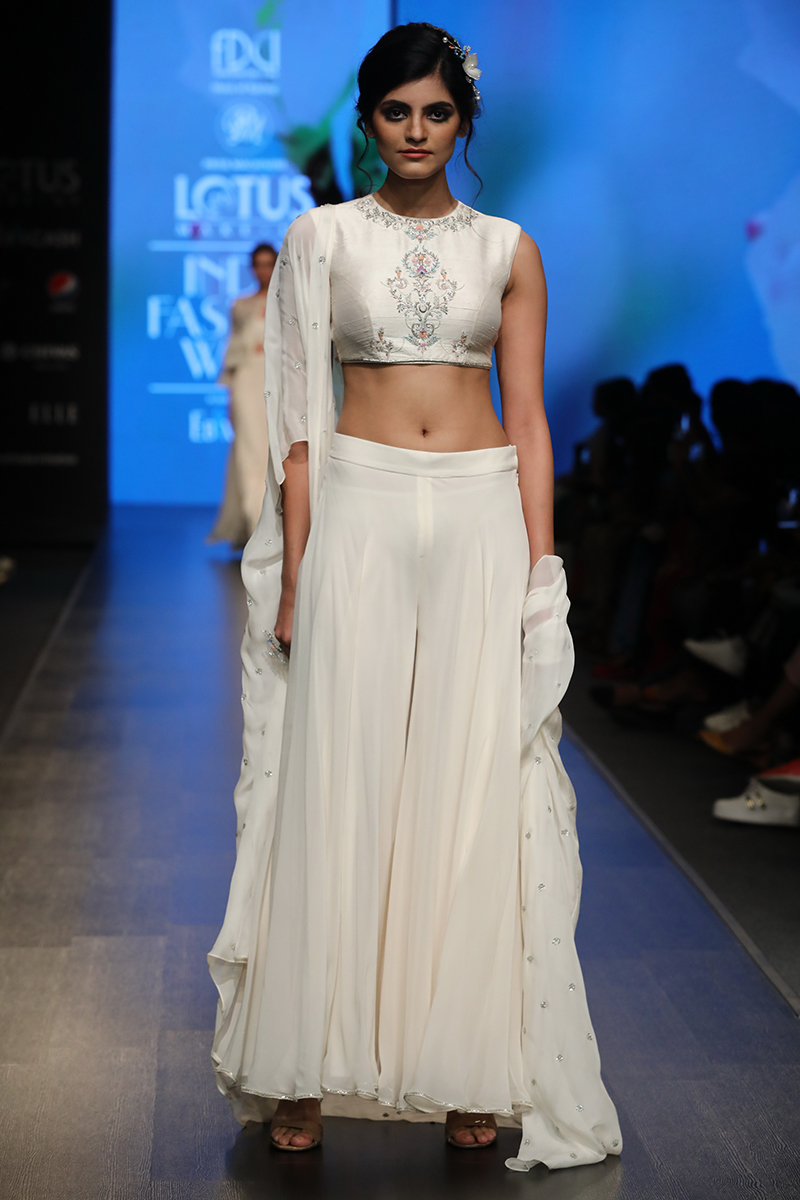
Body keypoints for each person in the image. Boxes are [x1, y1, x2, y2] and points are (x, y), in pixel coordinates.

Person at [208, 23, 621, 1173]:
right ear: (367, 120)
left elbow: (528, 419)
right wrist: (295, 569)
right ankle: (302, 1068)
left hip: (482, 513)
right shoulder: (321, 238)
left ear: (462, 120)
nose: (415, 131)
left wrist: (541, 570)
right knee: (337, 776)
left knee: (467, 780)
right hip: (359, 506)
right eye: (395, 111)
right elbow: (299, 422)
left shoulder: (508, 249)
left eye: (436, 112)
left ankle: (464, 1070)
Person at [207, 243, 278, 548]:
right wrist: (229, 398)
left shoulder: (290, 303)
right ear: (252, 268)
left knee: (274, 454)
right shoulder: (241, 306)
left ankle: (275, 531)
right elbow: (234, 353)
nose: (264, 270)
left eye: (269, 264)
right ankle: (254, 528)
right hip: (247, 383)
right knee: (250, 454)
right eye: (259, 264)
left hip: (277, 383)